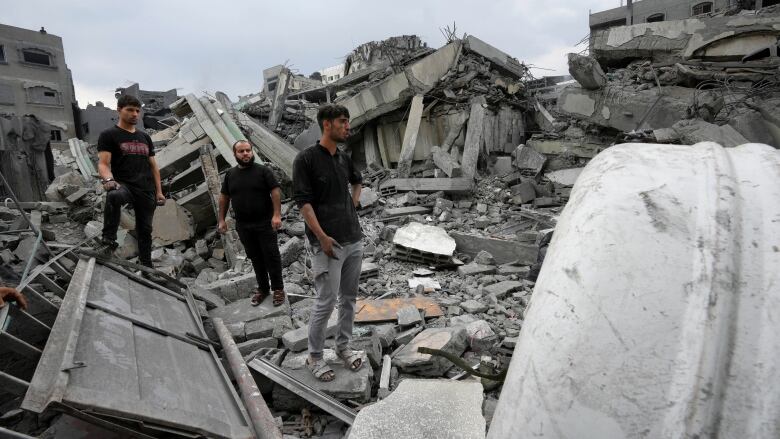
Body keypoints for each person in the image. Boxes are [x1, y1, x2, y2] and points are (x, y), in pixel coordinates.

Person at [293, 104, 364, 382]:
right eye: (343, 122)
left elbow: (358, 182)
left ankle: (344, 347)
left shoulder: (344, 158)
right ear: (327, 124)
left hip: (353, 239)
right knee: (325, 301)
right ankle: (315, 356)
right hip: (327, 244)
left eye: (347, 121)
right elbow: (303, 203)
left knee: (349, 298)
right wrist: (321, 237)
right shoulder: (306, 159)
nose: (348, 127)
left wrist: (354, 202)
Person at [95, 95, 165, 269]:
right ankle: (108, 242)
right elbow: (103, 164)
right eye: (130, 110)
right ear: (119, 110)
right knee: (114, 196)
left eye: (137, 111)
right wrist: (109, 180)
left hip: (146, 189)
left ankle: (147, 267)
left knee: (145, 231)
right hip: (125, 185)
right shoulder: (109, 135)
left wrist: (159, 191)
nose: (135, 114)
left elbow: (154, 167)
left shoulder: (145, 137)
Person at [218, 140, 286, 307]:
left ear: (252, 152)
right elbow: (224, 197)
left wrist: (277, 214)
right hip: (244, 225)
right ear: (235, 154)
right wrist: (221, 219)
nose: (246, 153)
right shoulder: (230, 175)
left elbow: (275, 191)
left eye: (248, 150)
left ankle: (278, 289)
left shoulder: (263, 171)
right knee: (255, 257)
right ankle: (263, 289)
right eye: (241, 151)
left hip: (265, 222)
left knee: (271, 256)